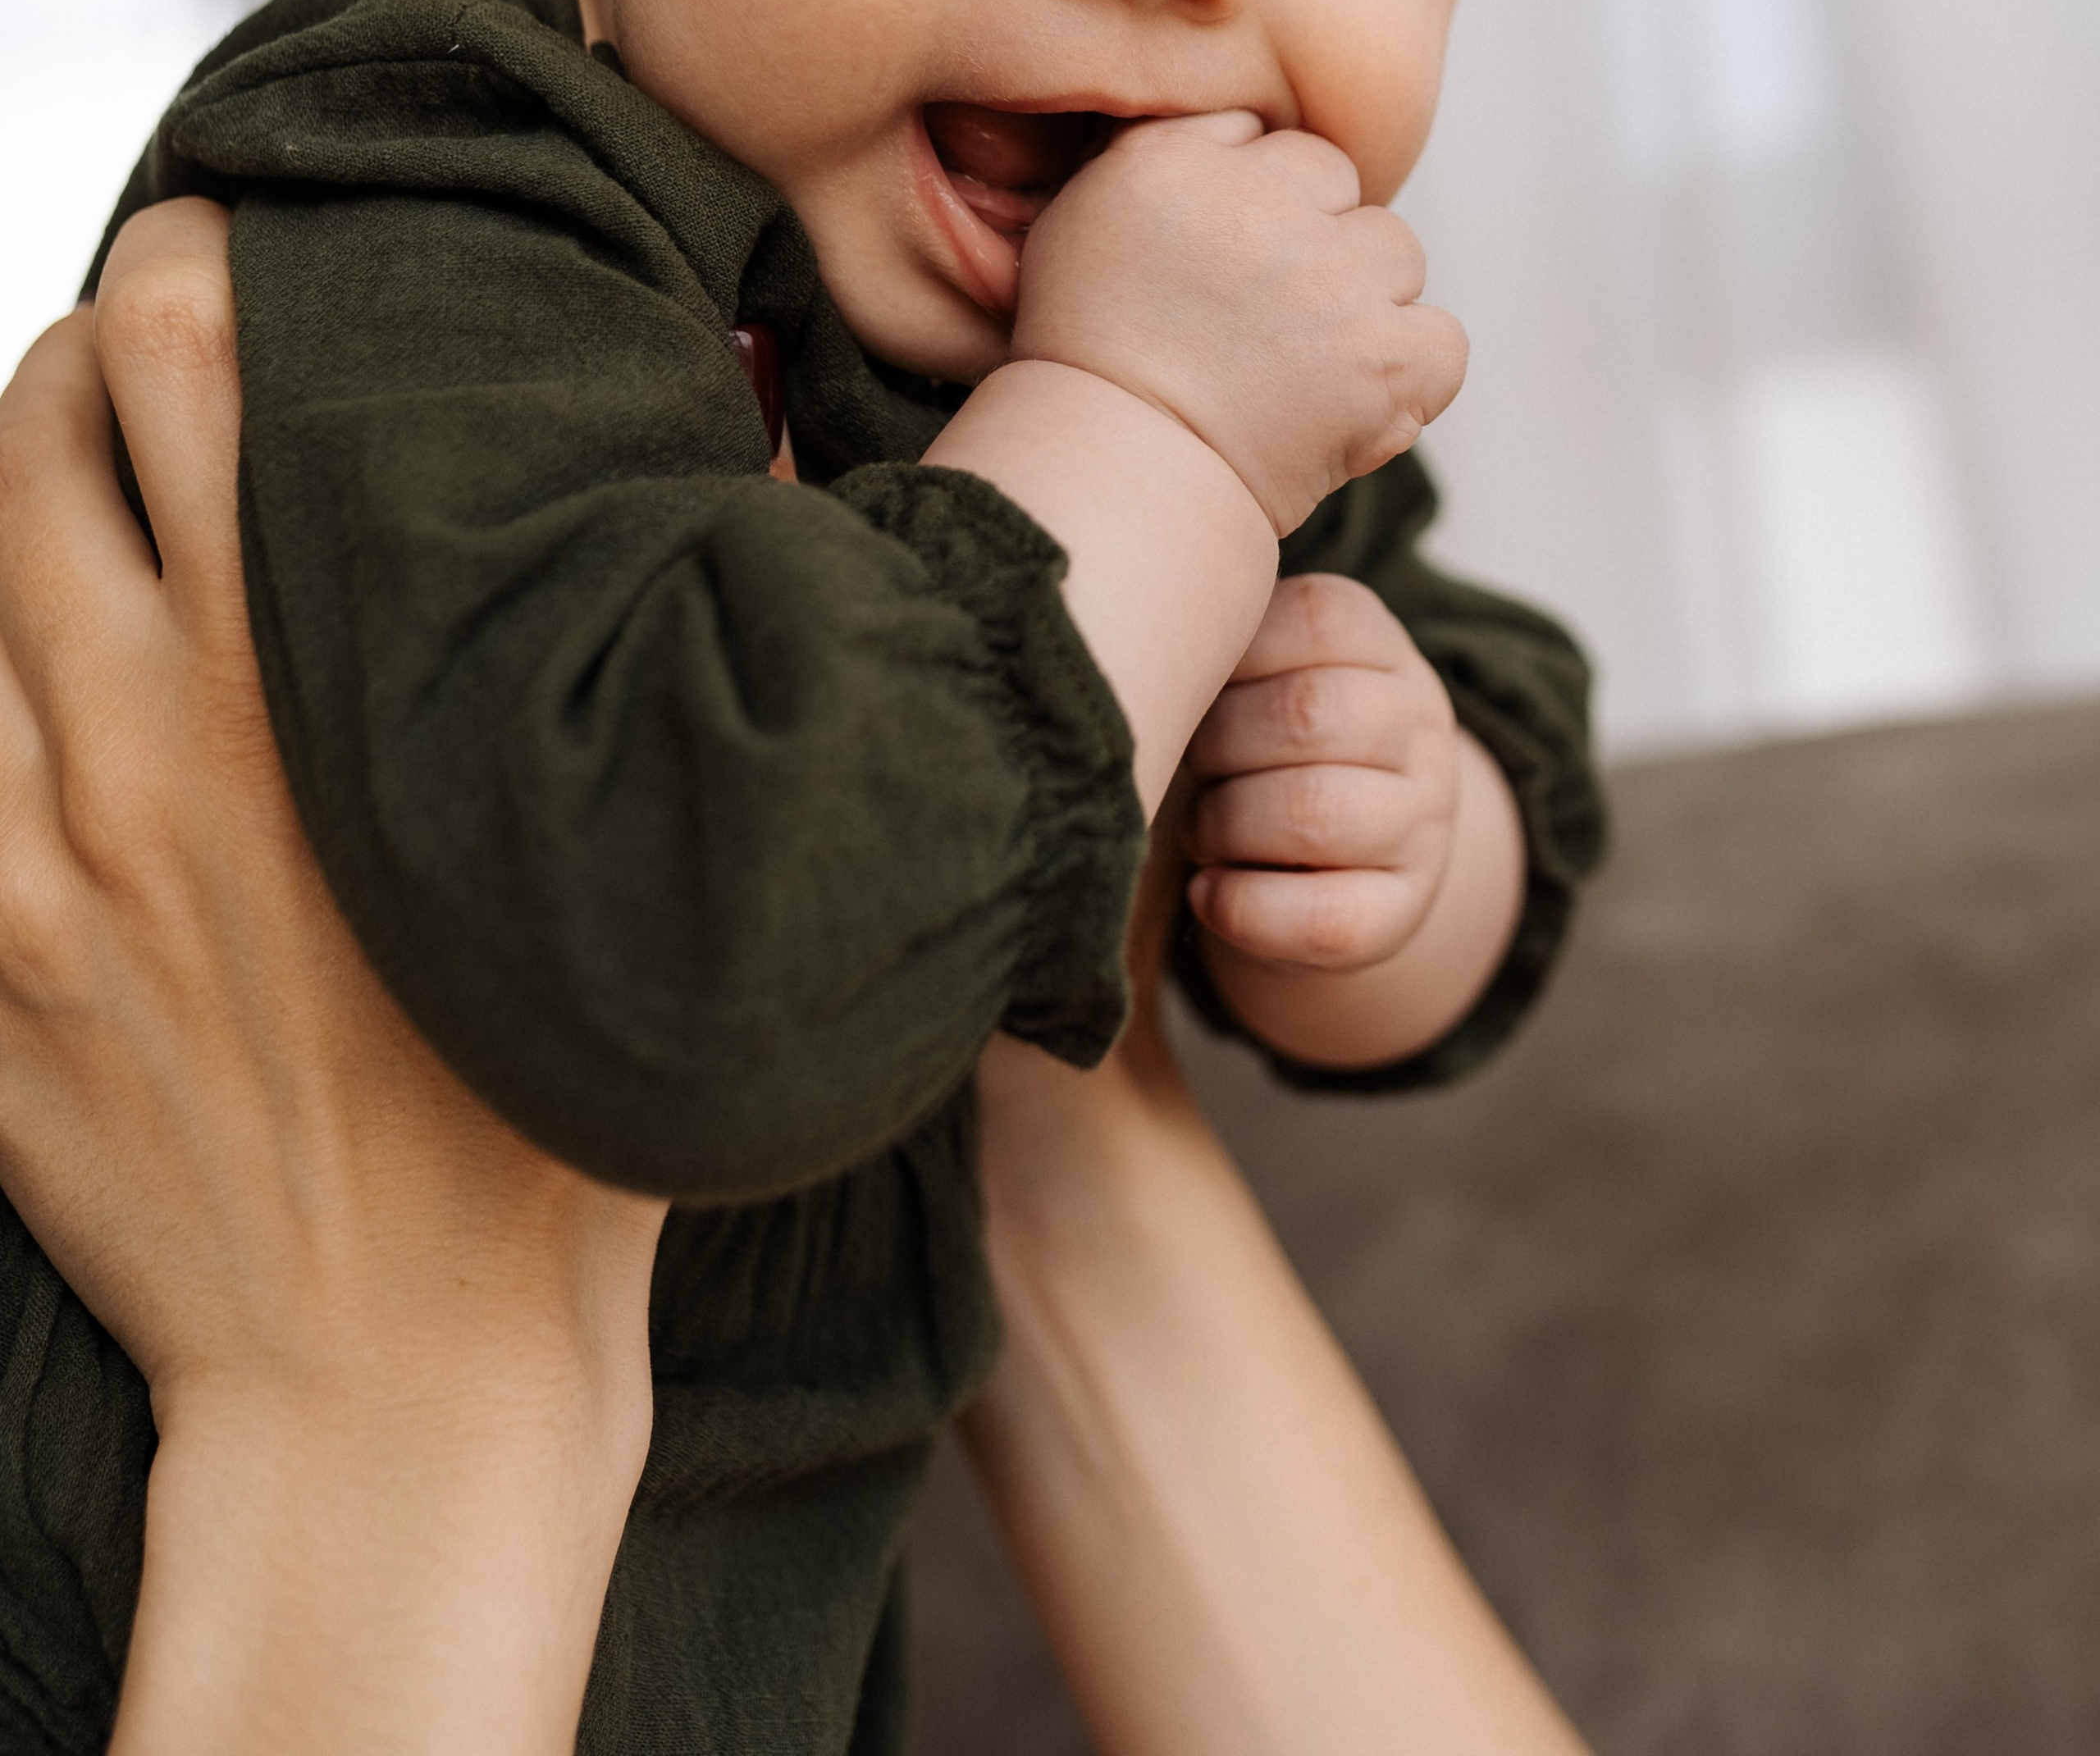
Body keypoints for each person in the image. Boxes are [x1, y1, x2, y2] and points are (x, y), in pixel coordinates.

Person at [31, 0, 1605, 1747]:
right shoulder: (432, 186)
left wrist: (1406, 837)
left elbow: (1443, 691)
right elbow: (697, 959)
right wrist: (1132, 456)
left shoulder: (1166, 347)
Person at [0, 208, 1590, 1754]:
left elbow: (1449, 852)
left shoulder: (1185, 255)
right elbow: (744, 950)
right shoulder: (490, 193)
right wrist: (1133, 455)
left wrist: (1374, 825)